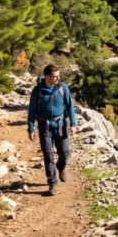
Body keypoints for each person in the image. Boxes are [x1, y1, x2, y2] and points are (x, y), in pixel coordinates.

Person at [28, 64, 76, 196]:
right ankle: (52, 183)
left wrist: (73, 124)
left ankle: (61, 167)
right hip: (45, 128)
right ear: (47, 76)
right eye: (55, 76)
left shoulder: (62, 87)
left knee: (64, 153)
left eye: (59, 76)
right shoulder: (37, 91)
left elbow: (70, 106)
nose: (58, 79)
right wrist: (30, 128)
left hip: (61, 126)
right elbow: (32, 110)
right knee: (48, 156)